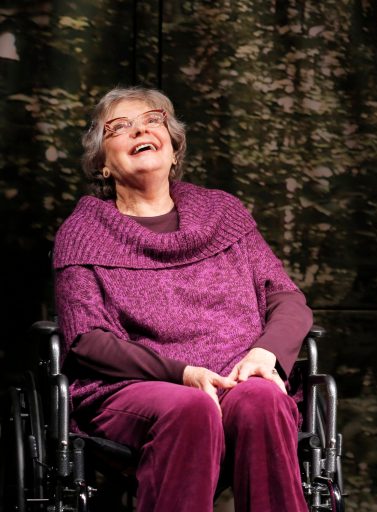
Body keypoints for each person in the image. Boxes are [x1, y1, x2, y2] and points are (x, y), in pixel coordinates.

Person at [53, 86, 313, 512]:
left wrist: (266, 354)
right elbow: (87, 340)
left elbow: (286, 297)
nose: (140, 128)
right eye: (119, 127)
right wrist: (184, 373)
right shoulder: (83, 233)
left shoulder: (223, 213)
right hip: (133, 389)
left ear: (174, 150)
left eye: (153, 120)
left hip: (236, 377)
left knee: (264, 398)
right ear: (101, 164)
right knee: (191, 408)